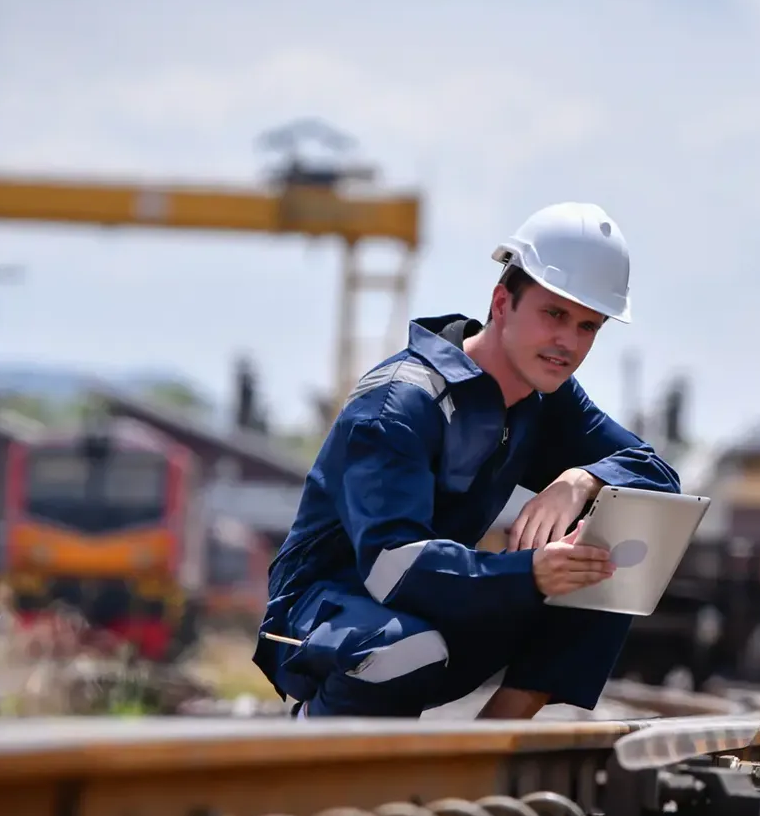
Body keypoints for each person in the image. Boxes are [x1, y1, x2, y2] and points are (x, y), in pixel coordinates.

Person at [255, 202, 682, 719]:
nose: (568, 342)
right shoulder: (399, 404)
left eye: (588, 326)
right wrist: (530, 574)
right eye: (554, 315)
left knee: (602, 565)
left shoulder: (547, 398)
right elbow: (395, 570)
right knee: (402, 648)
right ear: (502, 303)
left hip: (433, 611)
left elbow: (658, 477)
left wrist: (582, 478)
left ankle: (490, 750)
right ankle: (313, 742)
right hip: (323, 618)